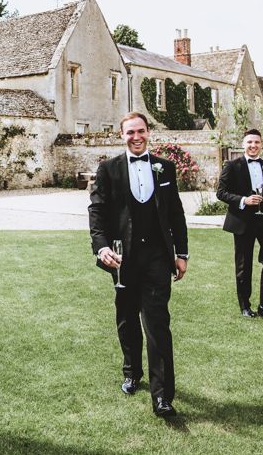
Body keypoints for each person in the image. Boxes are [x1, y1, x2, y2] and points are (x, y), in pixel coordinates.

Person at [89, 112, 188, 419]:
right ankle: (132, 371)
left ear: (149, 132)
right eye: (130, 132)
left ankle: (162, 397)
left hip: (158, 258)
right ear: (122, 135)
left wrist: (181, 253)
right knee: (127, 319)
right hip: (123, 258)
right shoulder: (108, 170)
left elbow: (175, 214)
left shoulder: (165, 167)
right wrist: (102, 247)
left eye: (141, 131)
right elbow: (97, 212)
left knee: (158, 324)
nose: (136, 136)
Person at [216, 128, 263, 324]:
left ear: (262, 144)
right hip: (242, 220)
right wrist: (244, 200)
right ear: (244, 144)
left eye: (257, 142)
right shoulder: (232, 165)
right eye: (250, 142)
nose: (253, 146)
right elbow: (221, 192)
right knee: (244, 264)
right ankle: (245, 305)